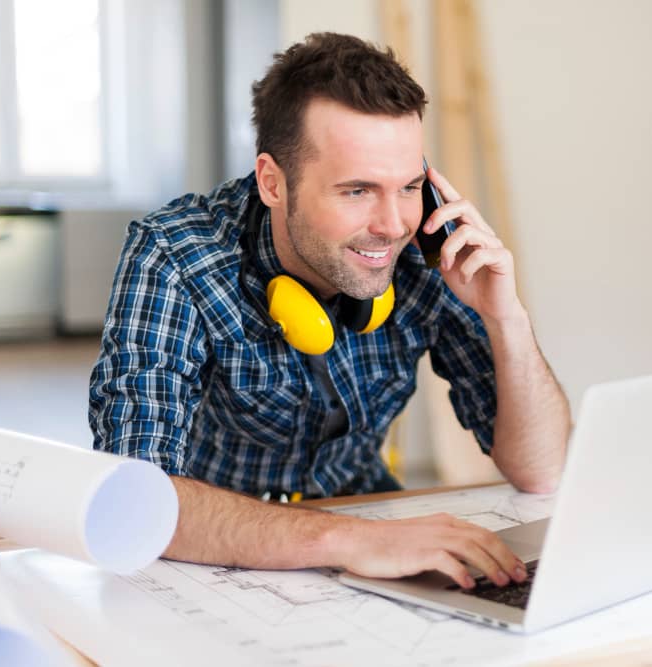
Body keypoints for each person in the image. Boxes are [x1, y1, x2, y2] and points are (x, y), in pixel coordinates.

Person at [89, 32, 569, 591]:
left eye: (410, 185)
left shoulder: (431, 250)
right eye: (357, 190)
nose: (393, 225)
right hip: (216, 546)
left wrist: (505, 317)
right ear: (273, 181)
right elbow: (135, 497)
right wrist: (346, 540)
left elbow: (542, 470)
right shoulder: (175, 253)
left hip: (375, 522)